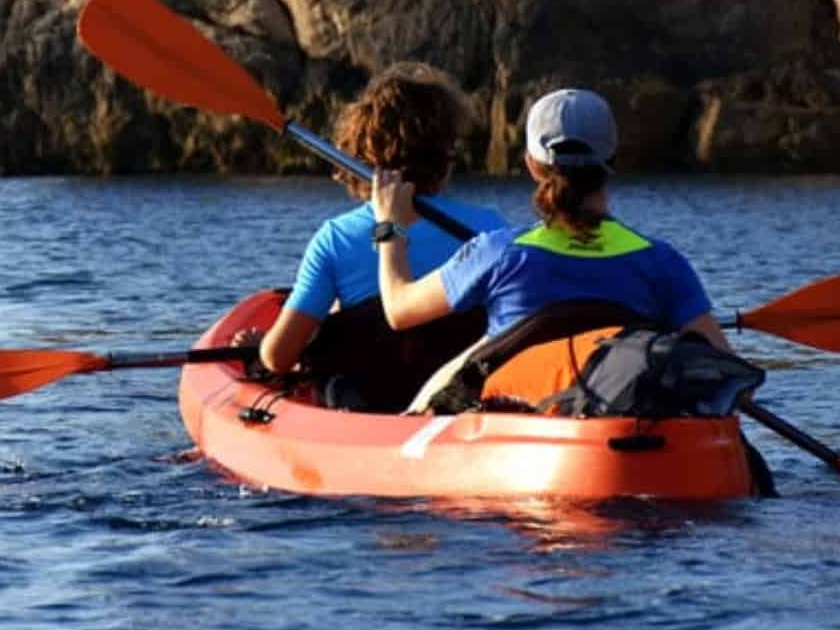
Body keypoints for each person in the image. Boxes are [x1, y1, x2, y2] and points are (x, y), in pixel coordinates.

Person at [370, 87, 734, 405]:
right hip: (618, 420)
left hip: (519, 427)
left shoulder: (498, 253)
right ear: (612, 162)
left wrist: (390, 225)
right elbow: (731, 381)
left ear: (532, 166)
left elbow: (399, 310)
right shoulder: (662, 262)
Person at [239, 66, 509, 406]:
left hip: (365, 413)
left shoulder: (335, 239)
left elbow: (278, 357)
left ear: (362, 155)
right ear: (445, 154)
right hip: (456, 410)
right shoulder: (491, 229)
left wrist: (260, 346)